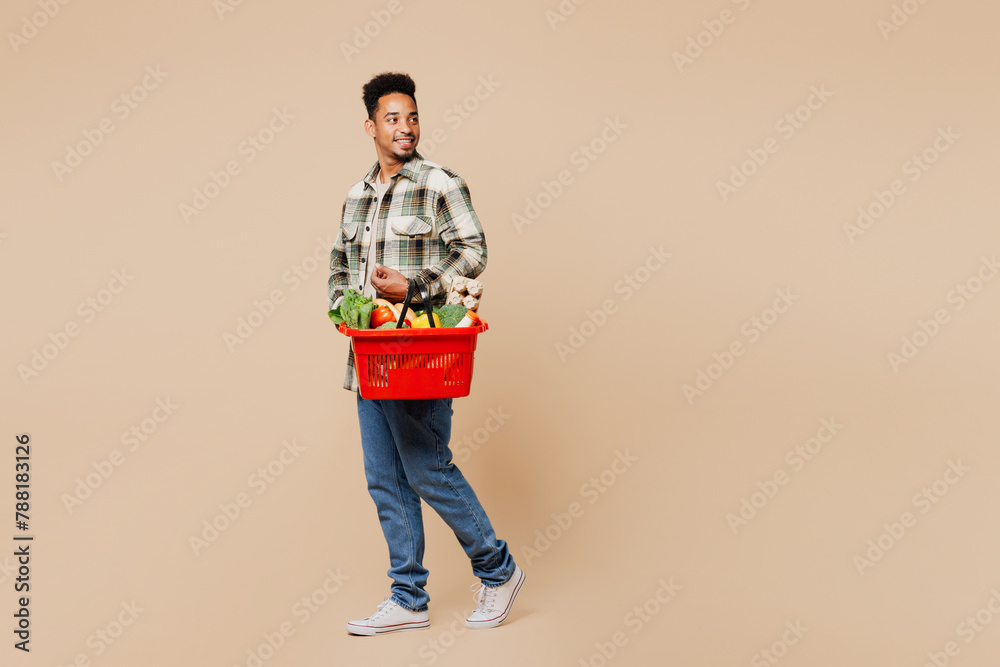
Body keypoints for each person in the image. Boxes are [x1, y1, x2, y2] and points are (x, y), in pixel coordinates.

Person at [328, 72, 524, 636]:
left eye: (411, 116)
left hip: (422, 352)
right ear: (371, 127)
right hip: (370, 355)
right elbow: (340, 262)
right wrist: (344, 307)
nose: (405, 126)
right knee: (384, 478)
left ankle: (498, 570)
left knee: (426, 469)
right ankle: (409, 599)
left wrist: (413, 289)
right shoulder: (356, 195)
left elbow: (474, 249)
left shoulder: (440, 183)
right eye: (393, 118)